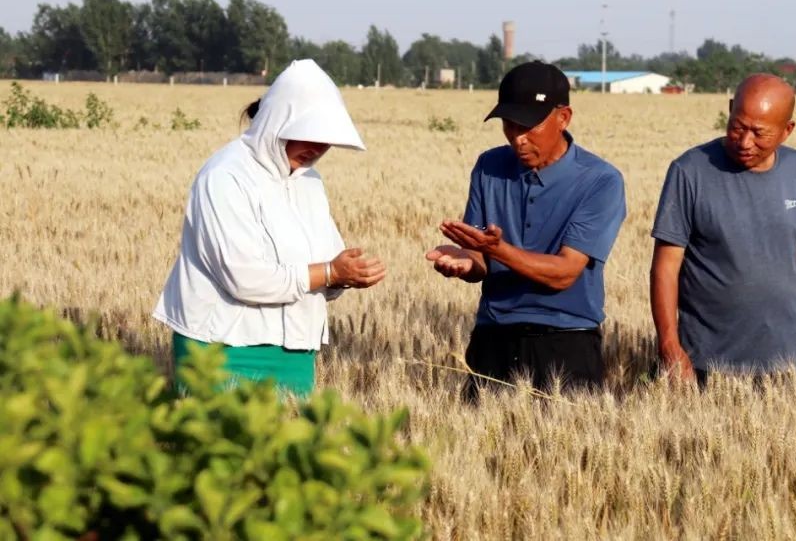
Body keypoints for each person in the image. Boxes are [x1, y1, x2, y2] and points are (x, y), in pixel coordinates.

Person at [153, 59, 387, 396]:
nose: (319, 148)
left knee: (290, 448)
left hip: (295, 351)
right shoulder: (225, 176)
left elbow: (326, 266)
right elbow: (243, 277)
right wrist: (331, 273)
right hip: (220, 352)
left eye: (327, 139)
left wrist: (348, 276)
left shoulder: (309, 182)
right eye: (310, 135)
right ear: (277, 123)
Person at [425, 61, 626, 399]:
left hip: (566, 343)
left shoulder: (600, 181)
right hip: (493, 337)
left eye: (529, 125)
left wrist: (496, 250)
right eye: (508, 125)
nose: (517, 138)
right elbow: (480, 259)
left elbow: (564, 273)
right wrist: (465, 263)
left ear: (564, 117)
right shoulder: (489, 167)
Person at [650, 73, 796, 387]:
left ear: (787, 131)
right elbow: (666, 266)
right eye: (738, 127)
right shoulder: (689, 171)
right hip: (704, 362)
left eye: (759, 133)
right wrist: (669, 346)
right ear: (729, 109)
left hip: (787, 361)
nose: (744, 142)